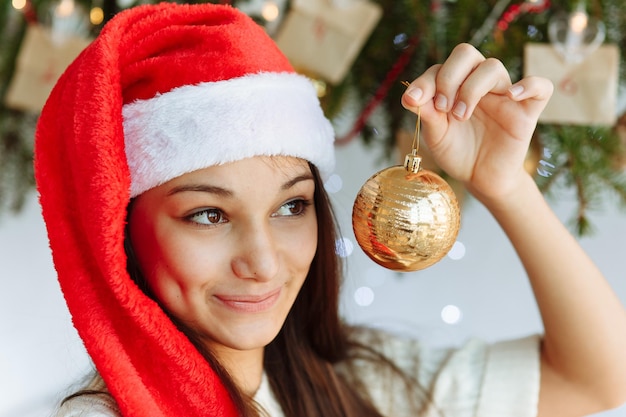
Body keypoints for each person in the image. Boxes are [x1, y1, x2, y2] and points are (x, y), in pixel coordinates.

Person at [34, 3, 626, 417]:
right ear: (121, 232)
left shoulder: (356, 383)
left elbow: (598, 380)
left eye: (292, 205)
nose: (263, 263)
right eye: (209, 215)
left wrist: (505, 186)